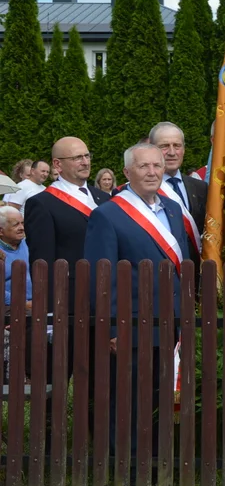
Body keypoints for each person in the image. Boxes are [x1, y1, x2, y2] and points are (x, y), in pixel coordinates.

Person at [84, 143, 187, 452]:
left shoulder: (173, 209)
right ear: (127, 173)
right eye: (144, 167)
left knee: (162, 397)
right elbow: (100, 276)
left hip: (171, 321)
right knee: (127, 400)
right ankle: (126, 469)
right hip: (131, 325)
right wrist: (112, 328)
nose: (153, 172)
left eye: (157, 165)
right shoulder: (108, 214)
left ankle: (159, 462)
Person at [24, 137, 112, 318]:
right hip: (69, 302)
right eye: (77, 158)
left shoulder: (104, 199)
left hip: (108, 296)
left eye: (87, 156)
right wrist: (47, 309)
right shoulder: (42, 203)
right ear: (58, 164)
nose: (85, 162)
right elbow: (42, 261)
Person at [149, 122, 207, 256]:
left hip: (195, 270)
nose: (172, 152)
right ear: (151, 149)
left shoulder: (200, 187)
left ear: (184, 149)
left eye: (177, 146)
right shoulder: (141, 189)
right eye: (164, 146)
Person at [0, 205, 32, 375]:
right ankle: (21, 373)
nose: (21, 228)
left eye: (22, 223)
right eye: (15, 224)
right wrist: (22, 303)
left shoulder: (28, 245)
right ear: (1, 231)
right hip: (9, 305)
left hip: (34, 302)